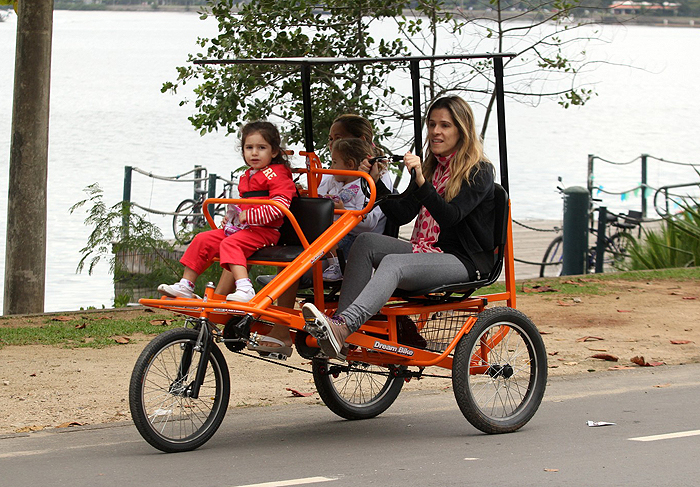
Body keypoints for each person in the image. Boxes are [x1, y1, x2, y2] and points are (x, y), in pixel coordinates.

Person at [301, 96, 496, 360]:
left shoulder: (479, 171)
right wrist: (374, 180)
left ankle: (346, 325)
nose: (436, 131)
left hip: (464, 260)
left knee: (393, 262)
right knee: (366, 242)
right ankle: (341, 331)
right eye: (432, 124)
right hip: (426, 251)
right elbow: (402, 214)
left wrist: (422, 183)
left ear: (462, 130)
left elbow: (451, 217)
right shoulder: (432, 167)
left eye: (445, 125)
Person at [247, 114, 391, 358]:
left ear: (361, 142)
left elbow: (371, 219)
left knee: (303, 254)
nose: (332, 144)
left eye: (339, 138)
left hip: (353, 245)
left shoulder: (374, 176)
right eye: (331, 139)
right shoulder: (334, 172)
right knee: (294, 242)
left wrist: (339, 211)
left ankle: (282, 325)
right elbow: (319, 199)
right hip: (331, 238)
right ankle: (275, 304)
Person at [158, 121, 297, 303]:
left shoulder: (277, 174)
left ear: (274, 152)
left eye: (261, 147)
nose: (254, 153)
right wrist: (231, 218)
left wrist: (251, 216)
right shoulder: (247, 176)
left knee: (231, 244)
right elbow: (241, 205)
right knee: (202, 239)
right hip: (243, 229)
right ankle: (186, 284)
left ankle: (245, 288)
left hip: (264, 232)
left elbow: (281, 205)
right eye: (249, 148)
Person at [318, 137, 391, 281]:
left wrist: (343, 211)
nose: (331, 167)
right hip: (335, 232)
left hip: (351, 237)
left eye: (334, 162)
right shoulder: (335, 183)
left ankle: (338, 265)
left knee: (328, 236)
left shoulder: (364, 187)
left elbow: (368, 223)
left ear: (350, 164)